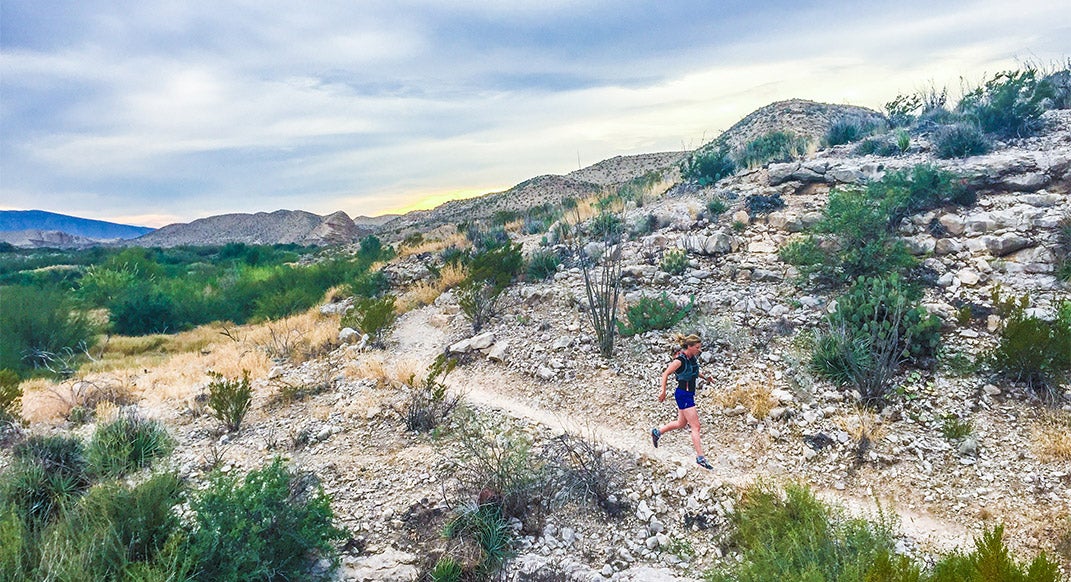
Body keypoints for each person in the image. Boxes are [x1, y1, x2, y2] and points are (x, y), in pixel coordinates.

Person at [650, 333, 715, 470]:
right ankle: (700, 457)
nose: (699, 350)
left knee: (681, 423)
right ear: (689, 346)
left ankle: (657, 432)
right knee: (696, 426)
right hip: (683, 395)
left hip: (688, 394)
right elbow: (665, 373)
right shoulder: (679, 360)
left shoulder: (691, 358)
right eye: (697, 347)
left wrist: (706, 378)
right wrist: (663, 391)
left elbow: (694, 372)